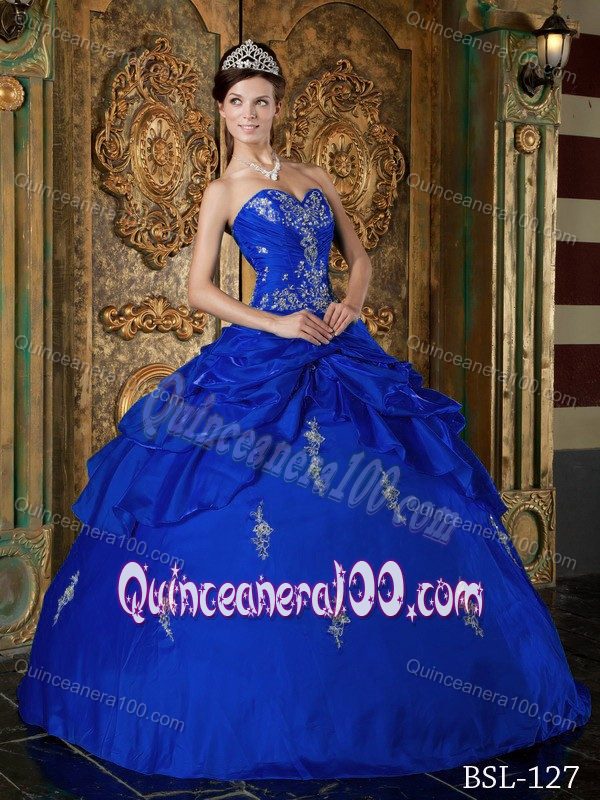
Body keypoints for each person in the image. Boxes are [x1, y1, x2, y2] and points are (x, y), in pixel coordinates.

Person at [17, 39, 591, 782]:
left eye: (261, 101)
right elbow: (197, 290)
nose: (249, 114)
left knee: (395, 488)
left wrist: (350, 306)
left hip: (339, 347)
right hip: (266, 349)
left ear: (278, 106)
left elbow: (361, 258)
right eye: (237, 102)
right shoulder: (221, 192)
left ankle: (410, 685)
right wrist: (278, 324)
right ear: (221, 110)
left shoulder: (315, 176)